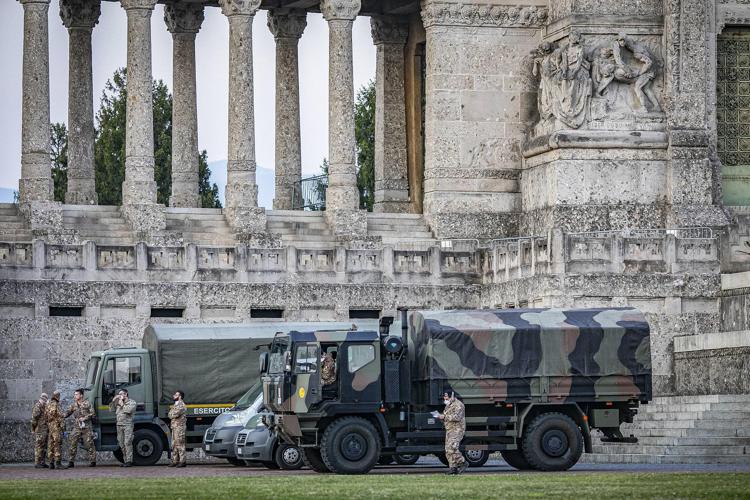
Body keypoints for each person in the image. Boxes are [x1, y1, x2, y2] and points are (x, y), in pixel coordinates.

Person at [438, 392, 467, 475]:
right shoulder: (448, 405)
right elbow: (446, 416)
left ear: (452, 396)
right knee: (448, 449)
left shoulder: (459, 405)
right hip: (449, 430)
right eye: (444, 397)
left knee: (452, 448)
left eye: (446, 396)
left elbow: (457, 417)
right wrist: (440, 417)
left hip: (457, 430)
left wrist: (444, 417)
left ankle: (463, 462)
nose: (445, 398)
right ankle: (453, 468)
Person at [65, 388, 96, 468]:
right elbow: (66, 413)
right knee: (73, 443)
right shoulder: (73, 405)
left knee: (89, 444)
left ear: (81, 395)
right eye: (74, 394)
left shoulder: (87, 403)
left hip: (86, 427)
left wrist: (85, 418)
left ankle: (92, 461)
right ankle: (71, 461)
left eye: (76, 394)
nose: (75, 396)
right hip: (77, 427)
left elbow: (93, 414)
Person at [110, 389, 137, 467]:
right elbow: (111, 409)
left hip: (127, 425)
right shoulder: (118, 403)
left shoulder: (132, 402)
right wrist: (113, 400)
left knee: (127, 443)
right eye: (119, 394)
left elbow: (128, 410)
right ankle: (125, 461)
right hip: (119, 425)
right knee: (121, 443)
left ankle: (129, 461)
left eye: (121, 394)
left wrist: (122, 404)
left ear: (126, 394)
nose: (120, 395)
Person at [45, 390, 66, 470]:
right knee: (57, 444)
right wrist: (63, 428)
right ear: (58, 396)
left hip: (50, 427)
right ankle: (58, 463)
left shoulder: (48, 404)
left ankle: (51, 463)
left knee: (51, 444)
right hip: (56, 427)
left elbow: (45, 415)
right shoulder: (56, 405)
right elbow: (60, 417)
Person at [168, 390, 187, 468]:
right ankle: (175, 461)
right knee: (174, 444)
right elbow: (170, 414)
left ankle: (183, 461)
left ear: (180, 397)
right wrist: (171, 414)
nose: (173, 396)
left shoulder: (181, 405)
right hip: (175, 427)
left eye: (176, 395)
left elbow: (173, 414)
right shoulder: (176, 405)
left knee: (180, 444)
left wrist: (171, 413)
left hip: (179, 428)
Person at [31, 392, 49, 469]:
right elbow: (34, 419)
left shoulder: (44, 406)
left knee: (44, 446)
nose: (45, 401)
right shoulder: (38, 406)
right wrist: (33, 429)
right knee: (39, 446)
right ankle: (37, 462)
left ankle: (42, 462)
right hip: (39, 430)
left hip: (44, 429)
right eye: (44, 400)